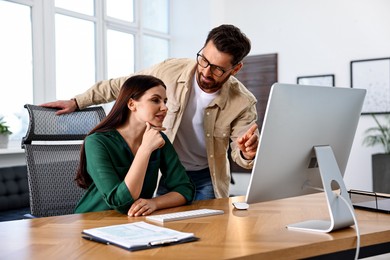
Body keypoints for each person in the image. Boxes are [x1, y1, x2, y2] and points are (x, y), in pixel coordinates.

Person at [42, 24, 259, 200]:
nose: (205, 71)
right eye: (203, 60)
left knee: (210, 235)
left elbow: (240, 154)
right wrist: (77, 102)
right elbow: (123, 85)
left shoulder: (242, 102)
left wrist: (246, 154)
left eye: (218, 68)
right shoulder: (170, 70)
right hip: (165, 170)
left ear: (235, 69)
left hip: (206, 176)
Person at [74, 75, 195, 216]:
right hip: (92, 221)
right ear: (132, 104)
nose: (165, 108)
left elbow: (185, 189)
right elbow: (121, 202)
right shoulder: (97, 142)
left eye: (165, 101)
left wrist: (154, 203)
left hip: (134, 223)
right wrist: (145, 149)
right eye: (155, 100)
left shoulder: (158, 139)